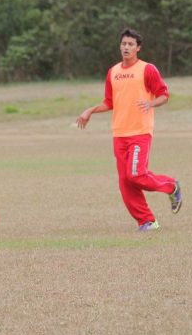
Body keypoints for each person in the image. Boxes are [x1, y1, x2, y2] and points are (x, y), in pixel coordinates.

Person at [76, 28, 182, 231]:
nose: (126, 47)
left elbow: (164, 95)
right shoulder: (113, 72)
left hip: (140, 132)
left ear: (138, 48)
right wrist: (90, 110)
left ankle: (171, 186)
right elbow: (109, 102)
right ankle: (147, 222)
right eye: (123, 44)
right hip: (119, 134)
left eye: (130, 44)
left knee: (136, 175)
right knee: (125, 182)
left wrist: (151, 104)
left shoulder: (147, 69)